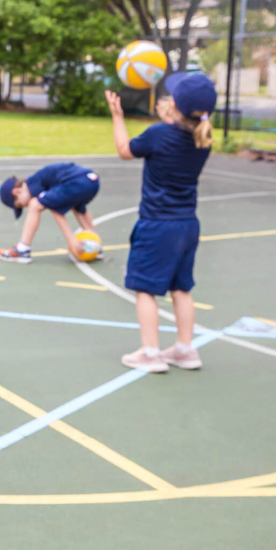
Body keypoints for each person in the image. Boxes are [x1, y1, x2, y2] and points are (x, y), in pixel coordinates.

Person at [106, 72, 215, 372]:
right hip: (187, 225)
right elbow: (180, 129)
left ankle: (150, 353)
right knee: (181, 289)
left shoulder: (158, 134)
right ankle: (185, 349)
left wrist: (117, 116)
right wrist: (172, 117)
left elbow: (124, 150)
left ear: (176, 105)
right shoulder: (204, 139)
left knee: (145, 290)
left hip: (157, 225)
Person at [0, 163, 102, 263]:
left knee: (35, 204)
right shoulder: (42, 179)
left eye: (20, 204)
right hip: (92, 181)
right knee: (78, 208)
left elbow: (55, 209)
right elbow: (80, 211)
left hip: (77, 182)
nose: (25, 206)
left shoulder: (34, 184)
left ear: (17, 191)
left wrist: (71, 240)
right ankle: (95, 245)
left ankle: (22, 249)